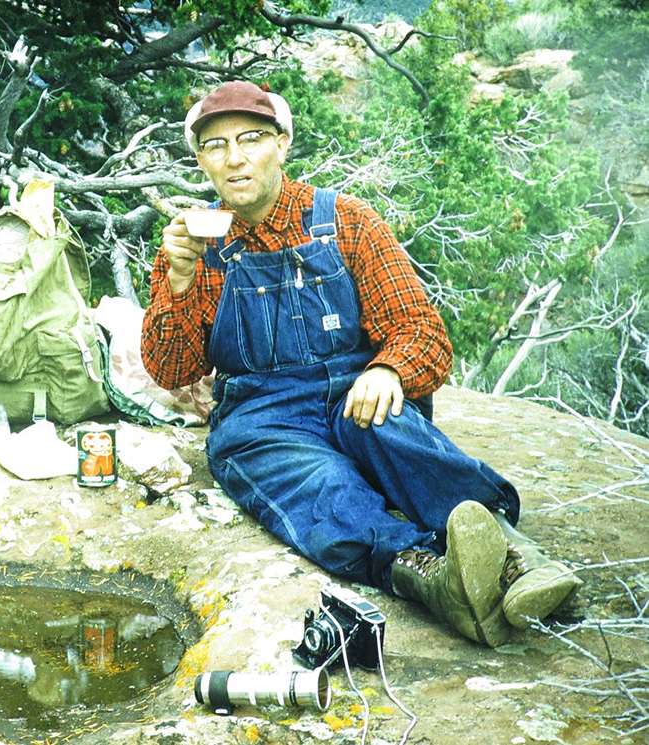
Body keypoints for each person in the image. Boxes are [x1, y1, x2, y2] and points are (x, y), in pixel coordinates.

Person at [140, 80, 581, 647]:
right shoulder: (194, 245)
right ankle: (435, 579)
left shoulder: (345, 221)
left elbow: (421, 330)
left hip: (358, 390)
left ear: (282, 143)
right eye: (215, 145)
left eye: (250, 138)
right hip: (265, 416)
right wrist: (177, 284)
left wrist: (389, 370)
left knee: (385, 427)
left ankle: (517, 557)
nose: (234, 157)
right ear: (201, 160)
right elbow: (170, 370)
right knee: (321, 485)